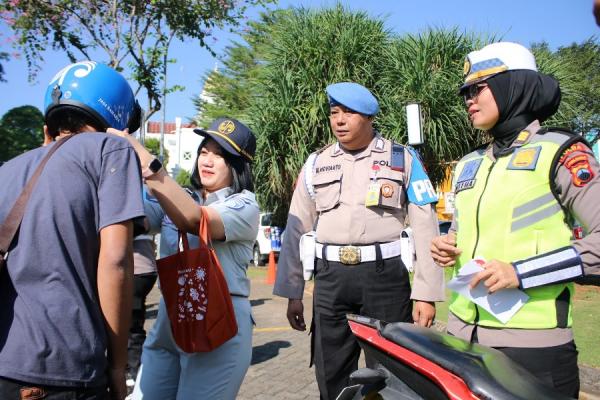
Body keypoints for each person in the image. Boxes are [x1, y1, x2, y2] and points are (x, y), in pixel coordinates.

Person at [431, 42, 600, 398]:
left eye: (479, 88)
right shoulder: (468, 164)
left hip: (532, 347)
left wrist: (521, 272)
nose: (468, 99)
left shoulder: (562, 151)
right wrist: (447, 247)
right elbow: (467, 233)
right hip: (461, 339)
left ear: (514, 85)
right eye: (465, 92)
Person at [274, 82, 445, 400]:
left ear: (368, 117)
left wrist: (426, 293)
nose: (339, 120)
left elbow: (425, 227)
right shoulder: (316, 163)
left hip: (385, 280)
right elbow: (296, 229)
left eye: (348, 112)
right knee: (331, 368)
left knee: (391, 373)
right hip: (330, 281)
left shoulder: (403, 159)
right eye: (334, 112)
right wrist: (292, 292)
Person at [0, 61, 145, 399]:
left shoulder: (10, 168)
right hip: (65, 367)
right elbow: (116, 261)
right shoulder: (112, 149)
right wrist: (118, 365)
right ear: (117, 116)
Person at [111, 117, 259, 400]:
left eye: (221, 155)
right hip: (170, 318)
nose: (208, 160)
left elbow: (194, 219)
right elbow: (134, 214)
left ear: (238, 166)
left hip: (219, 322)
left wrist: (147, 163)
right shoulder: (180, 196)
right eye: (205, 151)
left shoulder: (243, 205)